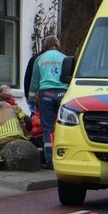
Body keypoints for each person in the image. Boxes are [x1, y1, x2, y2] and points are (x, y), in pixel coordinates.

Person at [29, 35, 69, 168]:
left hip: (46, 94)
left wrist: (31, 99)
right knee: (63, 126)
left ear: (45, 45)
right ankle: (64, 158)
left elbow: (35, 81)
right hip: (62, 93)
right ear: (57, 44)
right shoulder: (65, 58)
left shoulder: (40, 59)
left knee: (47, 129)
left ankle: (50, 161)